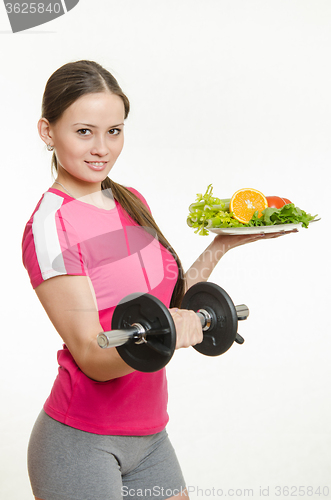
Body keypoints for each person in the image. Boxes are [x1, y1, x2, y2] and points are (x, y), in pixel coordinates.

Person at [22, 60, 295, 500]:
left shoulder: (130, 201)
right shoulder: (51, 226)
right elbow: (93, 356)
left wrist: (221, 245)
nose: (102, 148)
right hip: (80, 440)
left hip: (150, 437)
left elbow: (167, 302)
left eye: (115, 130)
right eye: (84, 131)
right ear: (47, 131)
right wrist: (168, 331)